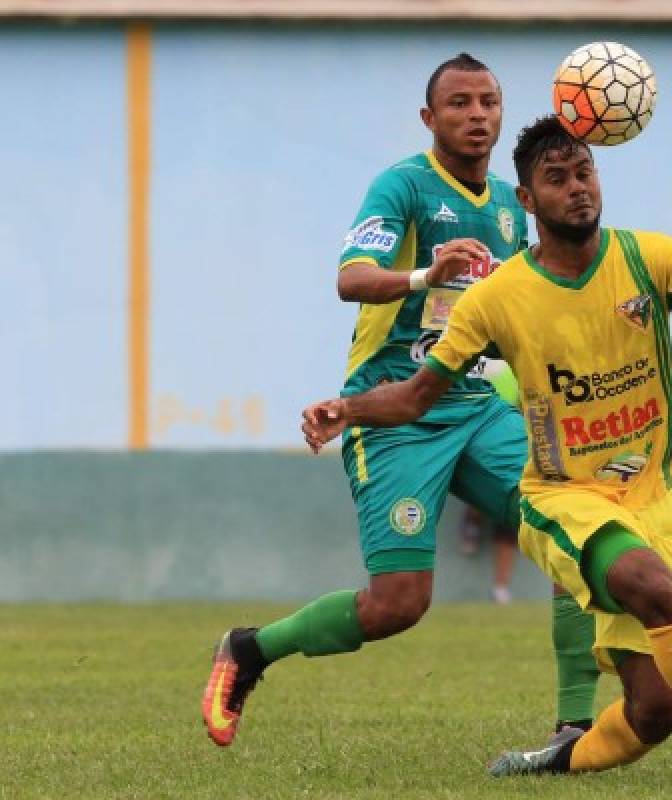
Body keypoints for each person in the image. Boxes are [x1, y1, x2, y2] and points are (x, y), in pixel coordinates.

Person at [299, 115, 672, 788]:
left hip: (652, 497)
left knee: (656, 711)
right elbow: (420, 395)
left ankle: (557, 758)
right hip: (564, 497)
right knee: (654, 588)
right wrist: (347, 408)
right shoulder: (495, 298)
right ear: (527, 200)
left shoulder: (652, 257)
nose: (577, 190)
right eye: (556, 179)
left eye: (585, 173)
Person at [201, 55, 602, 747]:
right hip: (394, 413)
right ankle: (247, 650)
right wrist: (425, 274)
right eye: (458, 103)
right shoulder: (404, 186)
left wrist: (609, 362)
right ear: (430, 118)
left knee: (575, 532)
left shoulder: (512, 205)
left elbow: (526, 320)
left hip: (476, 406)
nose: (476, 115)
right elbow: (351, 279)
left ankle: (576, 726)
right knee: (399, 604)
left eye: (487, 102)